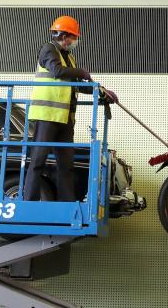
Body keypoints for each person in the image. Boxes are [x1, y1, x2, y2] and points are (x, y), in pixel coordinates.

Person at [23, 15, 117, 202]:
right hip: (47, 116)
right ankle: (28, 202)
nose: (75, 41)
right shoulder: (48, 50)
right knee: (38, 161)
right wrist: (81, 72)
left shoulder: (70, 58)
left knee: (67, 164)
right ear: (63, 35)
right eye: (73, 37)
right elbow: (57, 72)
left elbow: (76, 85)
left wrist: (100, 90)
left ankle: (66, 204)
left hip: (65, 119)